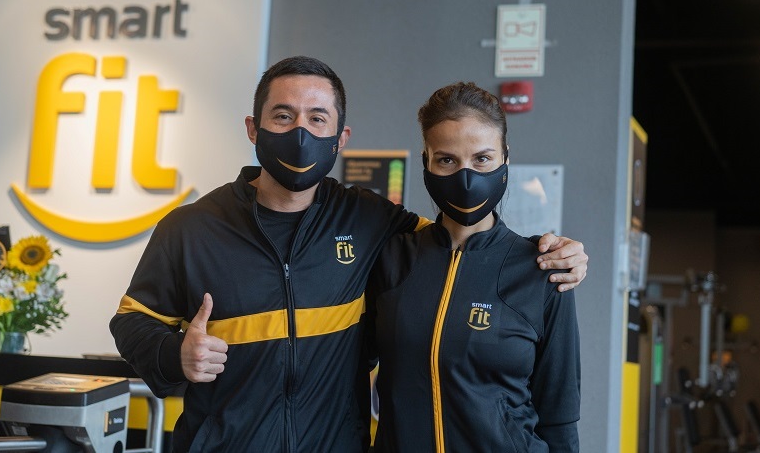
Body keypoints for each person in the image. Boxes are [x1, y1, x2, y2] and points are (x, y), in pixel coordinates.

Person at [110, 56, 587, 452]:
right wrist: (175, 355)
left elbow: (460, 244)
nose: (301, 132)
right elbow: (132, 321)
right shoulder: (191, 228)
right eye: (283, 116)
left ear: (341, 139)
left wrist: (555, 252)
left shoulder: (369, 220)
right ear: (254, 128)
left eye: (317, 119)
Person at [367, 82, 580, 452]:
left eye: (482, 159)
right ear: (426, 162)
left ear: (505, 159)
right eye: (447, 160)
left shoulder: (543, 270)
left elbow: (559, 416)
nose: (466, 177)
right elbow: (344, 368)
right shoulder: (390, 258)